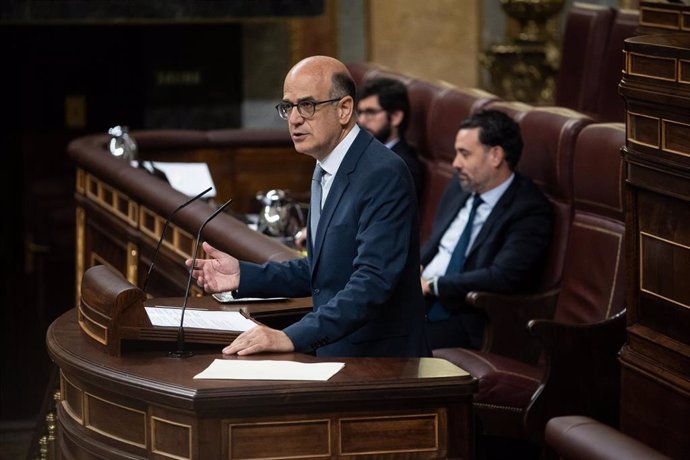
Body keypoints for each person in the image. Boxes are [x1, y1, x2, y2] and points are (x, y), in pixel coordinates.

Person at [188, 55, 429, 358]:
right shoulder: (324, 165)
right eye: (288, 107)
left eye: (307, 105)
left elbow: (373, 283)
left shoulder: (383, 173)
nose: (294, 118)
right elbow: (323, 268)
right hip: (336, 351)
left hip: (380, 361)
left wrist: (290, 337)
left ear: (344, 109)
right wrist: (243, 276)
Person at [420, 109, 552, 350]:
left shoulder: (529, 210)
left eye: (465, 154)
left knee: (390, 343)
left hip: (465, 316)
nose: (455, 163)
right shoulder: (459, 186)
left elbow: (502, 277)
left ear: (495, 155)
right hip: (419, 298)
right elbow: (436, 244)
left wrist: (433, 284)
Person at [356, 77, 424, 202]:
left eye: (370, 112)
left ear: (395, 117)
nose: (361, 121)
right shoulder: (359, 150)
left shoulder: (402, 167)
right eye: (360, 113)